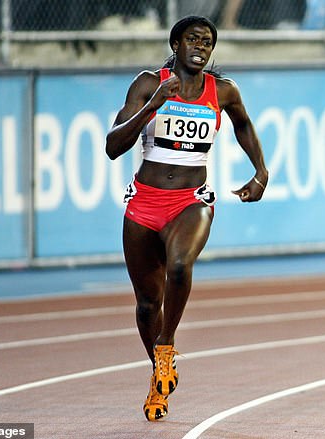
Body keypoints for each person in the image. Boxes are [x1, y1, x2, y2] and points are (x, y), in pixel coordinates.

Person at [105, 15, 268, 421]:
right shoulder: (148, 83)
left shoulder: (223, 90)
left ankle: (166, 344)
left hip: (190, 200)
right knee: (146, 304)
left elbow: (244, 125)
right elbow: (113, 145)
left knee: (180, 265)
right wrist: (153, 105)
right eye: (193, 39)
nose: (201, 46)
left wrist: (260, 171)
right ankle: (159, 371)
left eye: (208, 41)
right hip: (144, 201)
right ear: (176, 44)